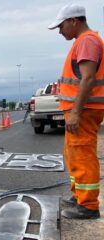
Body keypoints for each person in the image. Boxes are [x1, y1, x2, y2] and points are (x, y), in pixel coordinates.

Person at [48, 4, 104, 219]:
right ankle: (80, 195)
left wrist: (76, 112)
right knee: (73, 155)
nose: (60, 31)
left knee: (82, 155)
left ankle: (88, 206)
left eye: (61, 26)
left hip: (85, 110)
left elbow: (88, 78)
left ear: (74, 21)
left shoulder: (87, 41)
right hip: (82, 109)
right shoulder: (84, 41)